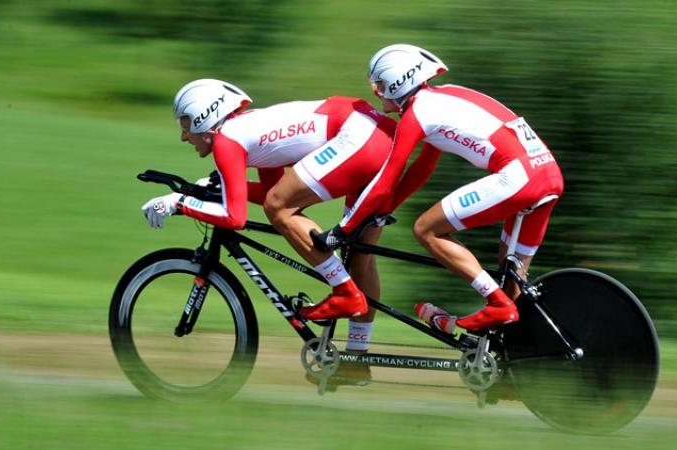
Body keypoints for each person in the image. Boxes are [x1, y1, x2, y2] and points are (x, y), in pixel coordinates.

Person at [314, 44, 564, 332]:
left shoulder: (416, 115)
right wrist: (382, 210)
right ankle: (512, 351)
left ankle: (495, 302)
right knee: (512, 281)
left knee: (426, 229)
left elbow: (386, 180)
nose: (377, 93)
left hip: (520, 177)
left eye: (380, 85)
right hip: (548, 173)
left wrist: (343, 229)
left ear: (398, 82)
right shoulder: (441, 98)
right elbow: (423, 168)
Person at [141, 78, 396, 352]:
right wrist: (211, 188)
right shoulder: (247, 129)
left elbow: (235, 218)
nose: (183, 135)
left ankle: (344, 292)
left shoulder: (226, 141)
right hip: (375, 134)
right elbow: (272, 192)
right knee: (361, 257)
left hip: (358, 136)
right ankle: (357, 357)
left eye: (186, 124)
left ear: (205, 119)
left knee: (278, 208)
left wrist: (178, 203)